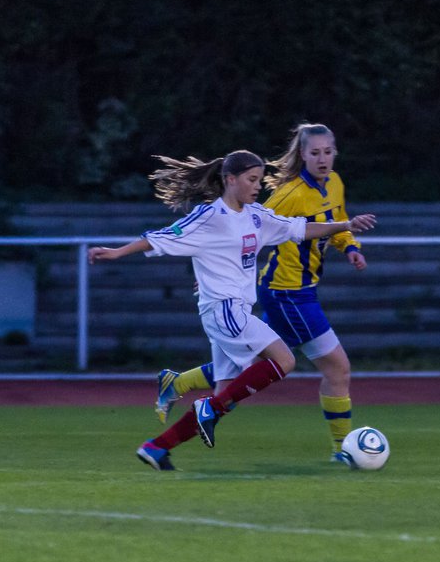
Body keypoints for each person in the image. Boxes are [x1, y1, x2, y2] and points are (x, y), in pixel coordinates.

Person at [88, 149, 376, 470]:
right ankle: (204, 409)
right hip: (224, 311)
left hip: (235, 312)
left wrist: (346, 224)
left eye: (259, 180)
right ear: (230, 179)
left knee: (225, 397)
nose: (258, 186)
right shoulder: (210, 217)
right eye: (252, 180)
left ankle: (157, 447)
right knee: (284, 360)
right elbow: (161, 237)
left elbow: (300, 229)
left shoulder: (256, 215)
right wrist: (116, 252)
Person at [154, 123, 367, 463]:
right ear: (302, 155)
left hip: (297, 292)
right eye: (315, 152)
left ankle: (176, 390)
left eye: (328, 151)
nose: (322, 158)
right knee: (337, 368)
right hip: (288, 293)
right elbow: (254, 231)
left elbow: (336, 219)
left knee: (249, 365)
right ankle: (343, 450)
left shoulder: (335, 184)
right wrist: (218, 271)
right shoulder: (289, 194)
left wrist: (349, 245)